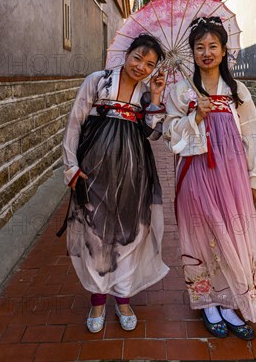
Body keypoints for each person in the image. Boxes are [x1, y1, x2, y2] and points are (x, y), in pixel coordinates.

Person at [163, 16, 256, 340]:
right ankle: (208, 301)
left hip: (232, 176)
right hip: (195, 174)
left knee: (235, 234)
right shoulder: (182, 91)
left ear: (224, 51)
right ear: (192, 53)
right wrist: (195, 115)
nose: (206, 53)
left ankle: (231, 302)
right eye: (200, 47)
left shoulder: (237, 91)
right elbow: (169, 133)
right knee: (201, 233)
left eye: (213, 46)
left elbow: (252, 134)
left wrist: (254, 178)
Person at [61, 34, 170, 333]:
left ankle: (123, 299)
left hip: (134, 174)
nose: (141, 67)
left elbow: (152, 134)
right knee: (95, 236)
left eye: (150, 64)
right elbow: (75, 123)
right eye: (138, 58)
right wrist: (71, 166)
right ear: (126, 53)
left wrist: (157, 98)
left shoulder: (148, 94)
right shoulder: (97, 81)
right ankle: (98, 300)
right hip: (94, 172)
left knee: (130, 236)